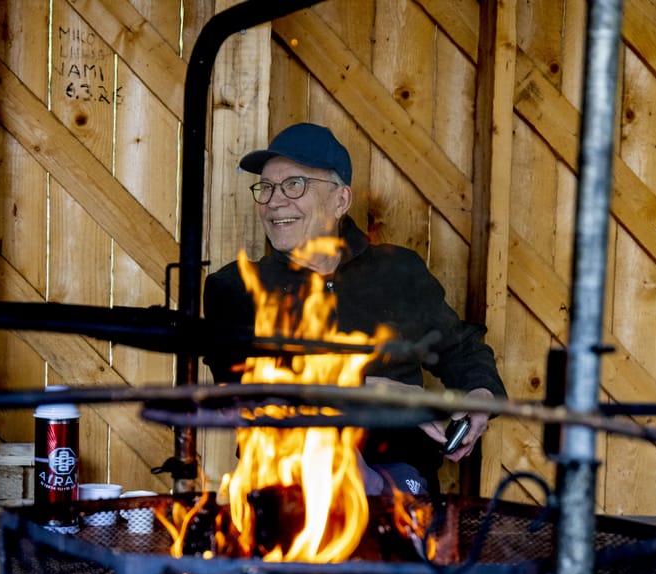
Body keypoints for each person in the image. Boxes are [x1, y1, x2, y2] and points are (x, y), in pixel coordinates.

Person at [203, 122, 507, 496]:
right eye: (265, 188)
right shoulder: (235, 287)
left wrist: (480, 395)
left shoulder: (398, 272)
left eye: (293, 185)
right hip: (288, 486)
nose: (274, 201)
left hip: (397, 485)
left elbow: (460, 347)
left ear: (341, 201)